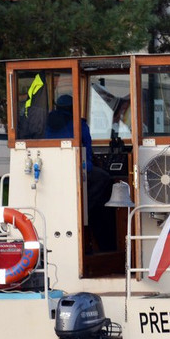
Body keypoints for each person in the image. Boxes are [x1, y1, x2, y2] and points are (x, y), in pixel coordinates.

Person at [46, 94, 115, 250]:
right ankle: (85, 209)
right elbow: (87, 151)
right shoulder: (79, 124)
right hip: (76, 168)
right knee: (104, 179)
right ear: (73, 108)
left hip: (54, 171)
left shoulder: (46, 123)